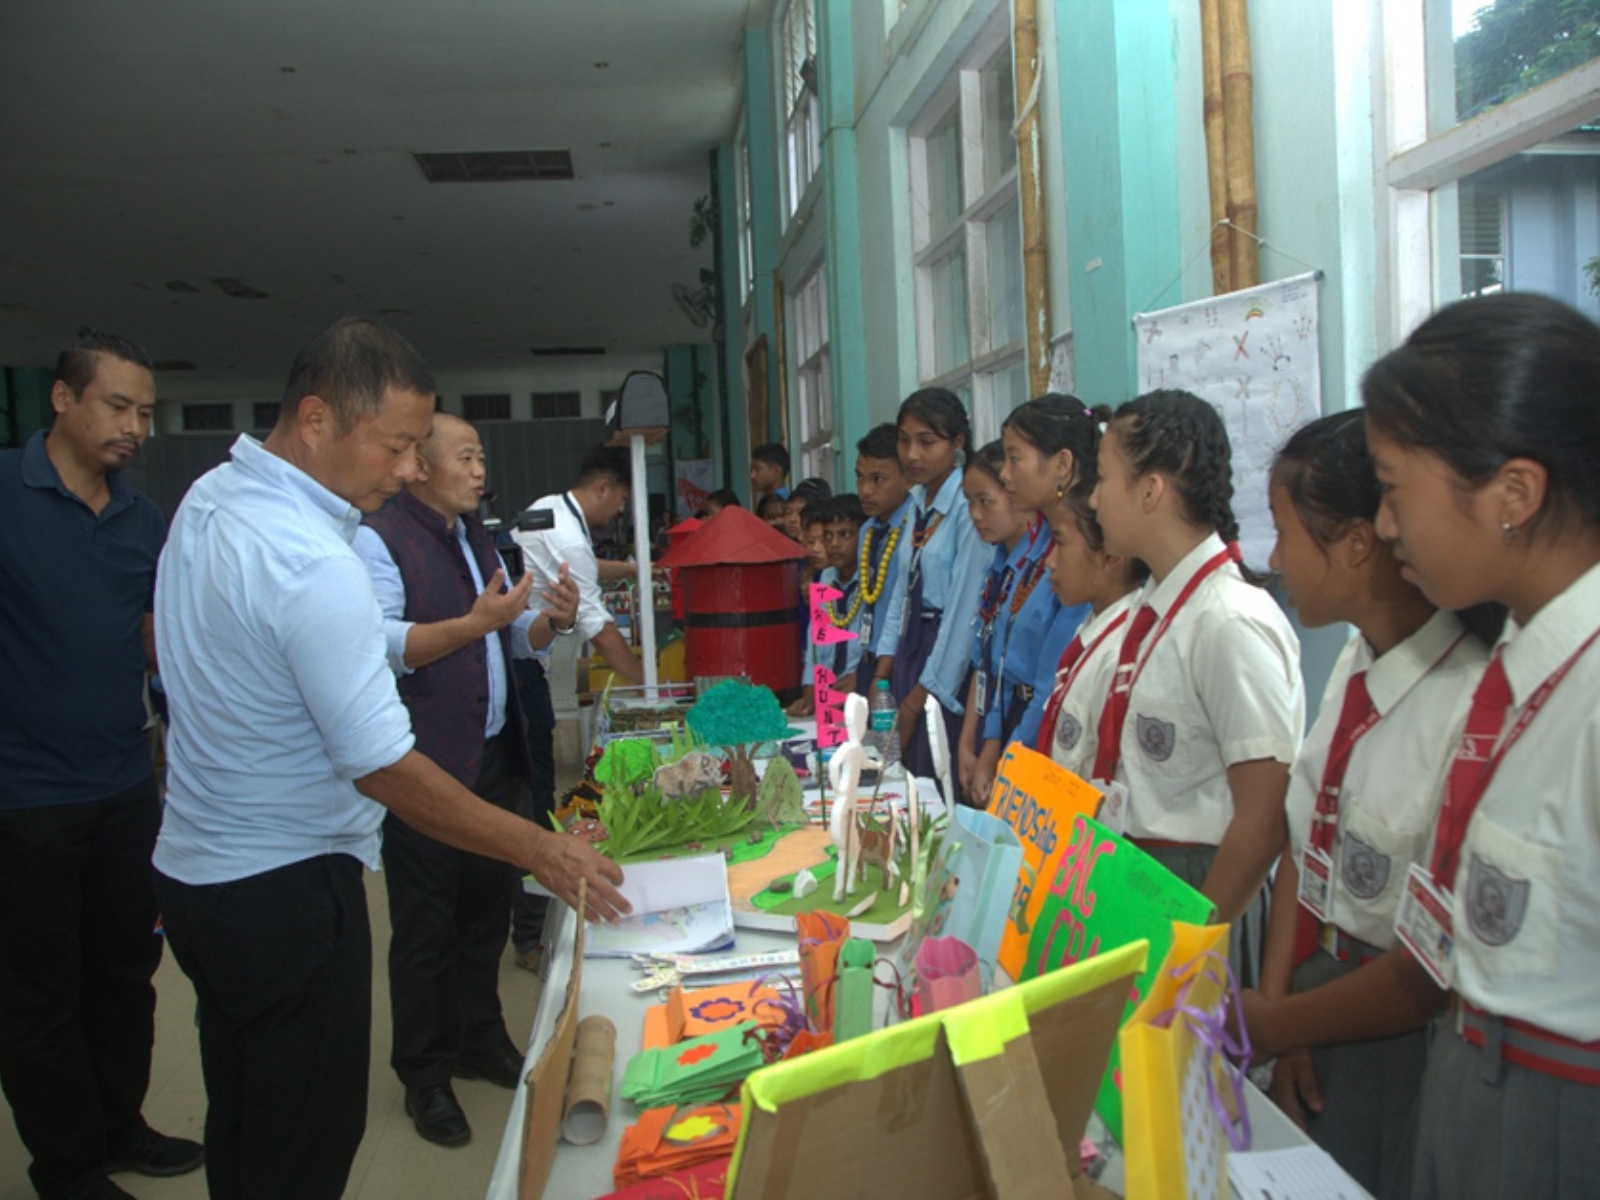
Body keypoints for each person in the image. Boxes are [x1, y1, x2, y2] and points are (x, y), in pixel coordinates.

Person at [152, 318, 628, 1200]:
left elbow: (338, 642)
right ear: (317, 418)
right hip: (285, 883)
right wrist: (544, 849)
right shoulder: (313, 557)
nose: (411, 468)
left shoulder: (213, 498)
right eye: (401, 446)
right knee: (305, 1142)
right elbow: (382, 764)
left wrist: (477, 627)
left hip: (196, 878)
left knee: (247, 1115)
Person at [1355, 294, 1600, 1198]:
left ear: (1513, 495)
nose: (1384, 527)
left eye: (1391, 488)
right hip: (1465, 1078)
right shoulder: (1518, 664)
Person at [1238, 411, 1490, 1198]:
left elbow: (1432, 967)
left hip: (1401, 1029)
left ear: (1354, 543)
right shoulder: (1357, 655)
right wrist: (1284, 1014)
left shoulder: (1474, 699)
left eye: (1283, 533)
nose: (1273, 559)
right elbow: (1302, 845)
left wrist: (1281, 1024)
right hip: (1317, 1006)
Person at [0, 329, 203, 1200]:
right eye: (118, 406)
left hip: (125, 788)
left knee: (125, 977)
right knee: (40, 997)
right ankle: (69, 1167)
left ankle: (121, 1126)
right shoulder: (5, 493)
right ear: (62, 399)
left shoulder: (141, 517)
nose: (135, 427)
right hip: (22, 799)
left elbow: (156, 640)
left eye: (147, 412)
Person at [352, 413, 582, 1147]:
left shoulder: (475, 535)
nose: (480, 469)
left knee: (485, 909)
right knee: (426, 926)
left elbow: (517, 636)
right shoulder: (378, 538)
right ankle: (424, 1074)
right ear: (416, 464)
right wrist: (480, 624)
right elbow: (382, 644)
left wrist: (554, 619)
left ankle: (481, 1038)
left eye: (481, 457)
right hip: (423, 762)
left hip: (493, 757)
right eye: (466, 456)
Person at [1088, 390, 1303, 955]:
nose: (1092, 499)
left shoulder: (1229, 621)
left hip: (1203, 893)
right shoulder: (1153, 606)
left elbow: (1262, 819)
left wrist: (1193, 944)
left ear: (1151, 491)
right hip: (1142, 880)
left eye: (1104, 479)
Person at [877, 389, 989, 806]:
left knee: (936, 785)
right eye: (904, 440)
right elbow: (899, 595)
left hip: (945, 665)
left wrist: (915, 702)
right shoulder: (917, 503)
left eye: (927, 442)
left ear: (957, 443)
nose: (911, 454)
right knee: (903, 785)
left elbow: (963, 615)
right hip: (911, 654)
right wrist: (882, 676)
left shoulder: (967, 506)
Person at [1034, 440, 1147, 783]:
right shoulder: (1092, 631)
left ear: (1112, 555)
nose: (1049, 561)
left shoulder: (1119, 654)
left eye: (1061, 544)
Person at [999, 396, 1105, 750]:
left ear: (1062, 463)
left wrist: (1012, 757)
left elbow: (1053, 676)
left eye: (1015, 459)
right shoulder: (1036, 540)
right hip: (1017, 717)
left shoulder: (1084, 546)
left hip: (1047, 730)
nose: (1004, 474)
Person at [958, 441, 1049, 804]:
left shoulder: (1045, 569)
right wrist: (968, 743)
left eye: (985, 501)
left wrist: (998, 755)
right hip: (994, 722)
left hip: (1027, 726)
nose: (975, 514)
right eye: (969, 502)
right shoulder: (998, 565)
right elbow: (984, 666)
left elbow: (1041, 682)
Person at [514, 445, 646, 689]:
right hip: (528, 658)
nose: (620, 510)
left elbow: (584, 566)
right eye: (623, 498)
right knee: (543, 723)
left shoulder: (550, 506)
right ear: (602, 488)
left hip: (527, 643)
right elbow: (598, 628)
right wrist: (651, 685)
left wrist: (633, 570)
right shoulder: (568, 538)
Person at [788, 494, 866, 718]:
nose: (834, 544)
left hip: (859, 692)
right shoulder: (824, 578)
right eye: (827, 536)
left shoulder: (873, 581)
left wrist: (862, 676)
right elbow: (815, 637)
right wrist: (810, 687)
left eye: (845, 535)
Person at [852, 423, 914, 696]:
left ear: (907, 479)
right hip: (870, 659)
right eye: (860, 478)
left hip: (900, 662)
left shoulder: (915, 529)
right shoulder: (868, 531)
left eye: (878, 479)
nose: (865, 490)